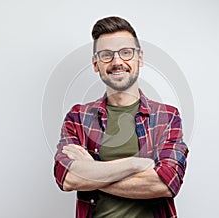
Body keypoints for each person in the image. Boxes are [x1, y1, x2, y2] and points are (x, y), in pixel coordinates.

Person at [54, 16, 189, 218]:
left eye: (126, 53)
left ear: (139, 58)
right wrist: (135, 164)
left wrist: (90, 170)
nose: (117, 62)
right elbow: (67, 178)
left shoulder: (166, 117)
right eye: (106, 55)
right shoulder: (78, 118)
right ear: (95, 63)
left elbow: (165, 184)